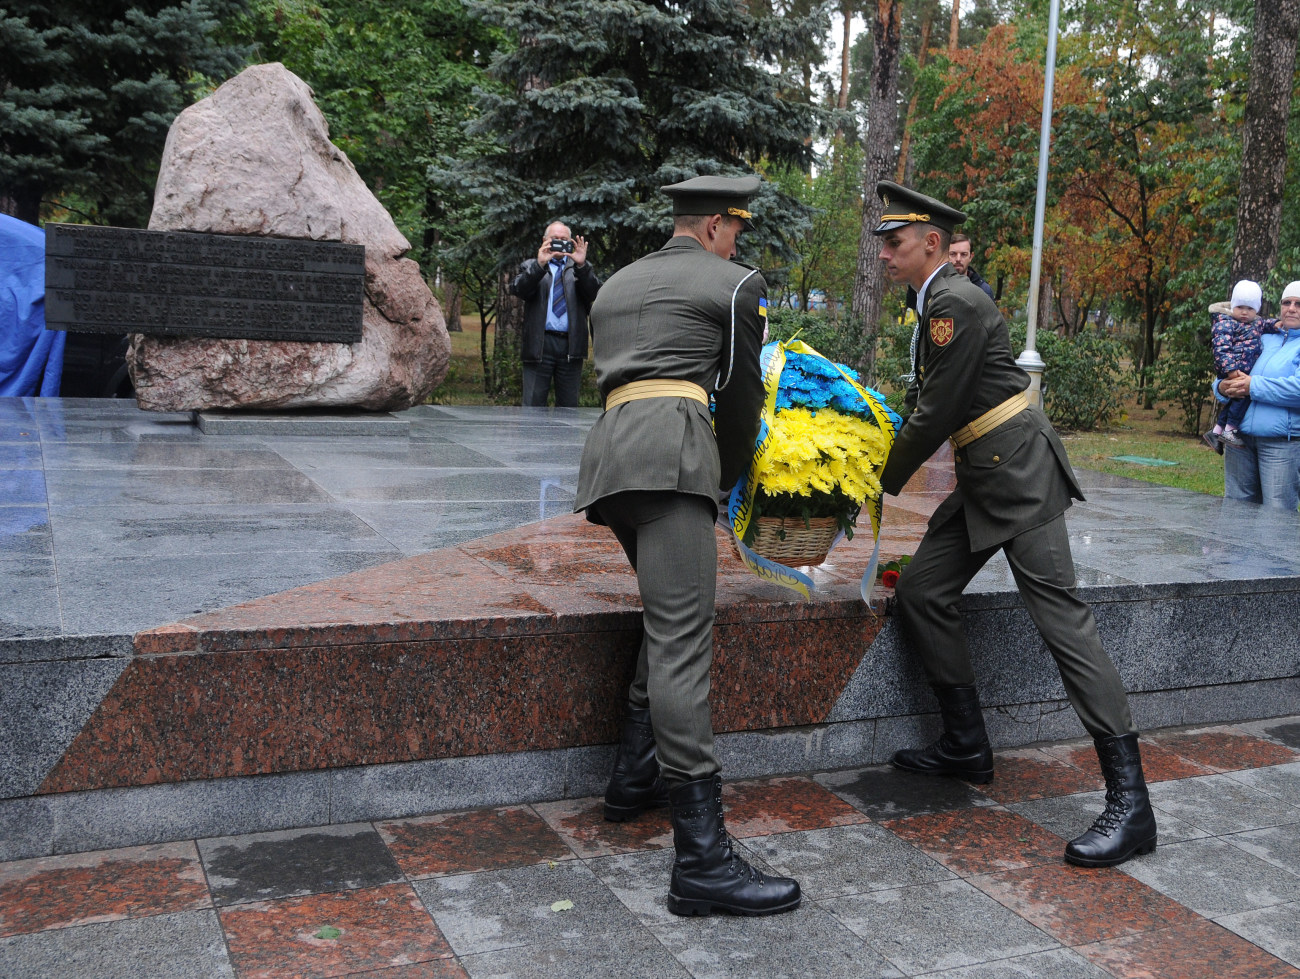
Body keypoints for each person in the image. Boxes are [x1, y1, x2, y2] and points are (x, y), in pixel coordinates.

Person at [872, 180, 1157, 868]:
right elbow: (930, 400)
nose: (883, 253)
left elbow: (934, 411)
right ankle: (966, 744)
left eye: (895, 241)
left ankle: (1133, 803)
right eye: (882, 241)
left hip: (1019, 475)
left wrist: (875, 476)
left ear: (932, 244)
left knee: (1063, 625)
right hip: (986, 470)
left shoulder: (953, 301)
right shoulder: (932, 301)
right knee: (922, 591)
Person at [574, 175, 801, 917]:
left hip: (611, 465)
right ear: (713, 226)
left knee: (667, 612)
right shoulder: (736, 285)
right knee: (682, 637)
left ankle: (632, 780)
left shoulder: (616, 284)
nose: (739, 243)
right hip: (675, 458)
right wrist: (733, 478)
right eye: (735, 228)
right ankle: (703, 860)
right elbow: (738, 397)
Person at [1216, 280, 1300, 511]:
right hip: (1239, 439)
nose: (1291, 308)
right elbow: (1232, 367)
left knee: (1276, 512)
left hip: (1281, 445)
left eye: (1298, 304)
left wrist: (1253, 386)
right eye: (1287, 302)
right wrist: (1221, 387)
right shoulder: (1263, 335)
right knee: (1236, 508)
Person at [510, 221, 601, 407]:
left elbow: (595, 294)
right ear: (545, 241)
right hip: (540, 345)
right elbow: (518, 289)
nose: (559, 243)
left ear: (571, 242)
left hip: (570, 346)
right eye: (554, 239)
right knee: (533, 408)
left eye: (564, 239)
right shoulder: (531, 266)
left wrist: (582, 266)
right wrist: (539, 265)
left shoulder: (579, 268)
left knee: (568, 408)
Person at [1204, 280, 1272, 451]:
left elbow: (1266, 324)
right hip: (1233, 369)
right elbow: (1221, 349)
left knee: (1235, 401)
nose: (1244, 312)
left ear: (1256, 310)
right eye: (1240, 307)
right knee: (1242, 397)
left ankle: (1217, 431)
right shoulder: (1225, 323)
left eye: (1250, 308)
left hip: (1244, 370)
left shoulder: (1256, 323)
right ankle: (1230, 429)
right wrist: (1231, 371)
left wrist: (1276, 324)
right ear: (1233, 305)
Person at [948, 232, 995, 300]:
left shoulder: (983, 290)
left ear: (971, 257)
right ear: (945, 255)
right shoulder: (935, 286)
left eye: (963, 254)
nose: (958, 259)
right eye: (953, 254)